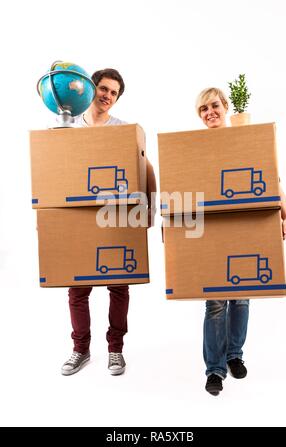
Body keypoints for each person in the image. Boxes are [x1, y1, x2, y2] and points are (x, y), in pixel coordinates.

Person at [195, 87, 286, 396]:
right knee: (215, 303)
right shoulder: (193, 146)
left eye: (214, 105)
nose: (209, 112)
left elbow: (271, 177)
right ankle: (214, 370)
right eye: (203, 109)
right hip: (212, 229)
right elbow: (183, 185)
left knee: (241, 296)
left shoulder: (244, 138)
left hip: (245, 226)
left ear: (225, 107)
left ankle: (234, 354)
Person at [61, 68, 156, 376]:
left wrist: (151, 209)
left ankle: (115, 350)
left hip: (115, 216)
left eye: (114, 93)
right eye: (103, 88)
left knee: (118, 286)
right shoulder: (68, 127)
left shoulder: (123, 130)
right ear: (91, 89)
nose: (107, 96)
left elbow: (147, 168)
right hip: (78, 218)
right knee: (77, 290)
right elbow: (53, 172)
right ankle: (81, 350)